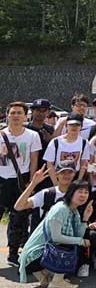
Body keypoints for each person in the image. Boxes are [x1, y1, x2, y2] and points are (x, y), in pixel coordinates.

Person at [18, 180, 93, 288]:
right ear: (71, 192)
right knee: (69, 244)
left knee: (74, 242)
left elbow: (78, 235)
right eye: (80, 191)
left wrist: (85, 218)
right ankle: (57, 282)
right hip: (33, 257)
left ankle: (44, 277)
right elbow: (56, 237)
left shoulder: (74, 212)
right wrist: (80, 241)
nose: (83, 195)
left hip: (44, 254)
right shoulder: (61, 208)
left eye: (86, 192)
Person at [1, 102, 41, 266]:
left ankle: (13, 253)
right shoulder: (1, 134)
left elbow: (34, 161)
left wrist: (31, 185)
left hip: (20, 181)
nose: (16, 116)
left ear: (26, 116)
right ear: (7, 115)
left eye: (19, 113)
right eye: (12, 113)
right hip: (1, 180)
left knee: (18, 218)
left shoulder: (32, 136)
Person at [44, 113, 91, 184]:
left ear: (81, 127)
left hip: (75, 177)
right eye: (71, 125)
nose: (74, 127)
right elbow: (49, 164)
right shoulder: (55, 142)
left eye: (77, 125)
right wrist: (55, 183)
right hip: (58, 176)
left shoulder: (84, 142)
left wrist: (78, 181)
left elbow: (83, 163)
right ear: (66, 126)